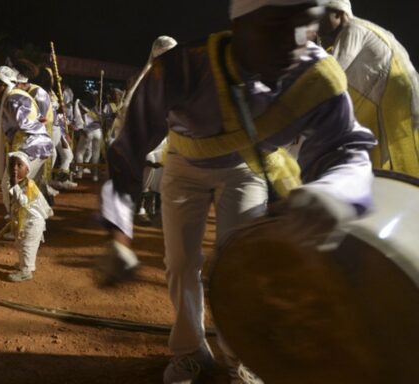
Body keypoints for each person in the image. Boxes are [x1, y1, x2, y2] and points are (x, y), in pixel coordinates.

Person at [100, 0, 377, 383]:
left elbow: (347, 150)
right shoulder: (181, 67)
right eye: (279, 24)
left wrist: (332, 191)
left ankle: (241, 356)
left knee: (241, 265)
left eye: (308, 24)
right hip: (183, 166)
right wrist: (119, 236)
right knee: (181, 264)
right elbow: (128, 150)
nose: (298, 40)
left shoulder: (317, 78)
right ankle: (189, 352)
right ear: (240, 25)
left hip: (243, 170)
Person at [317, 0, 419, 177]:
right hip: (385, 101)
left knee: (404, 157)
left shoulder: (353, 29)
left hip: (398, 101)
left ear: (338, 14)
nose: (315, 22)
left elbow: (332, 75)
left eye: (320, 15)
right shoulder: (334, 37)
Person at [0, 66, 53, 217]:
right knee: (24, 185)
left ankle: (19, 222)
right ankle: (35, 217)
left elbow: (24, 123)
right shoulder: (15, 96)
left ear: (3, 84)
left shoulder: (13, 97)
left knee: (11, 184)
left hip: (30, 146)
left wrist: (37, 123)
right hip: (35, 146)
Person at [6, 151, 53, 282]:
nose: (14, 168)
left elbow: (23, 202)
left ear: (27, 170)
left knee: (27, 246)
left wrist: (14, 185)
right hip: (24, 221)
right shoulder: (17, 183)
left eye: (19, 165)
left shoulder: (29, 185)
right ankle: (23, 265)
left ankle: (26, 271)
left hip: (33, 223)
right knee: (20, 243)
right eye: (12, 165)